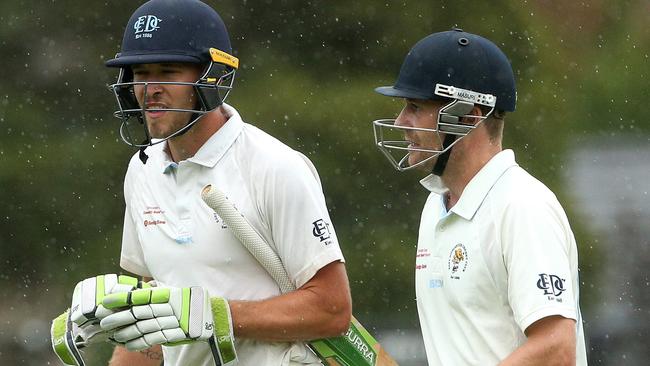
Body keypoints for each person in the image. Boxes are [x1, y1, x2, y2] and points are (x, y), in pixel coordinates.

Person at [53, 1, 352, 365]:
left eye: (167, 71)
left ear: (212, 76)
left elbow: (331, 310)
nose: (150, 89)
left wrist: (217, 316)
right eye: (140, 73)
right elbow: (155, 321)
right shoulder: (142, 170)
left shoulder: (274, 167)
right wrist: (123, 321)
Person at [372, 28, 587, 365]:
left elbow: (557, 349)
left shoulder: (522, 206)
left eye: (414, 106)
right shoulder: (436, 205)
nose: (401, 122)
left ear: (468, 115)